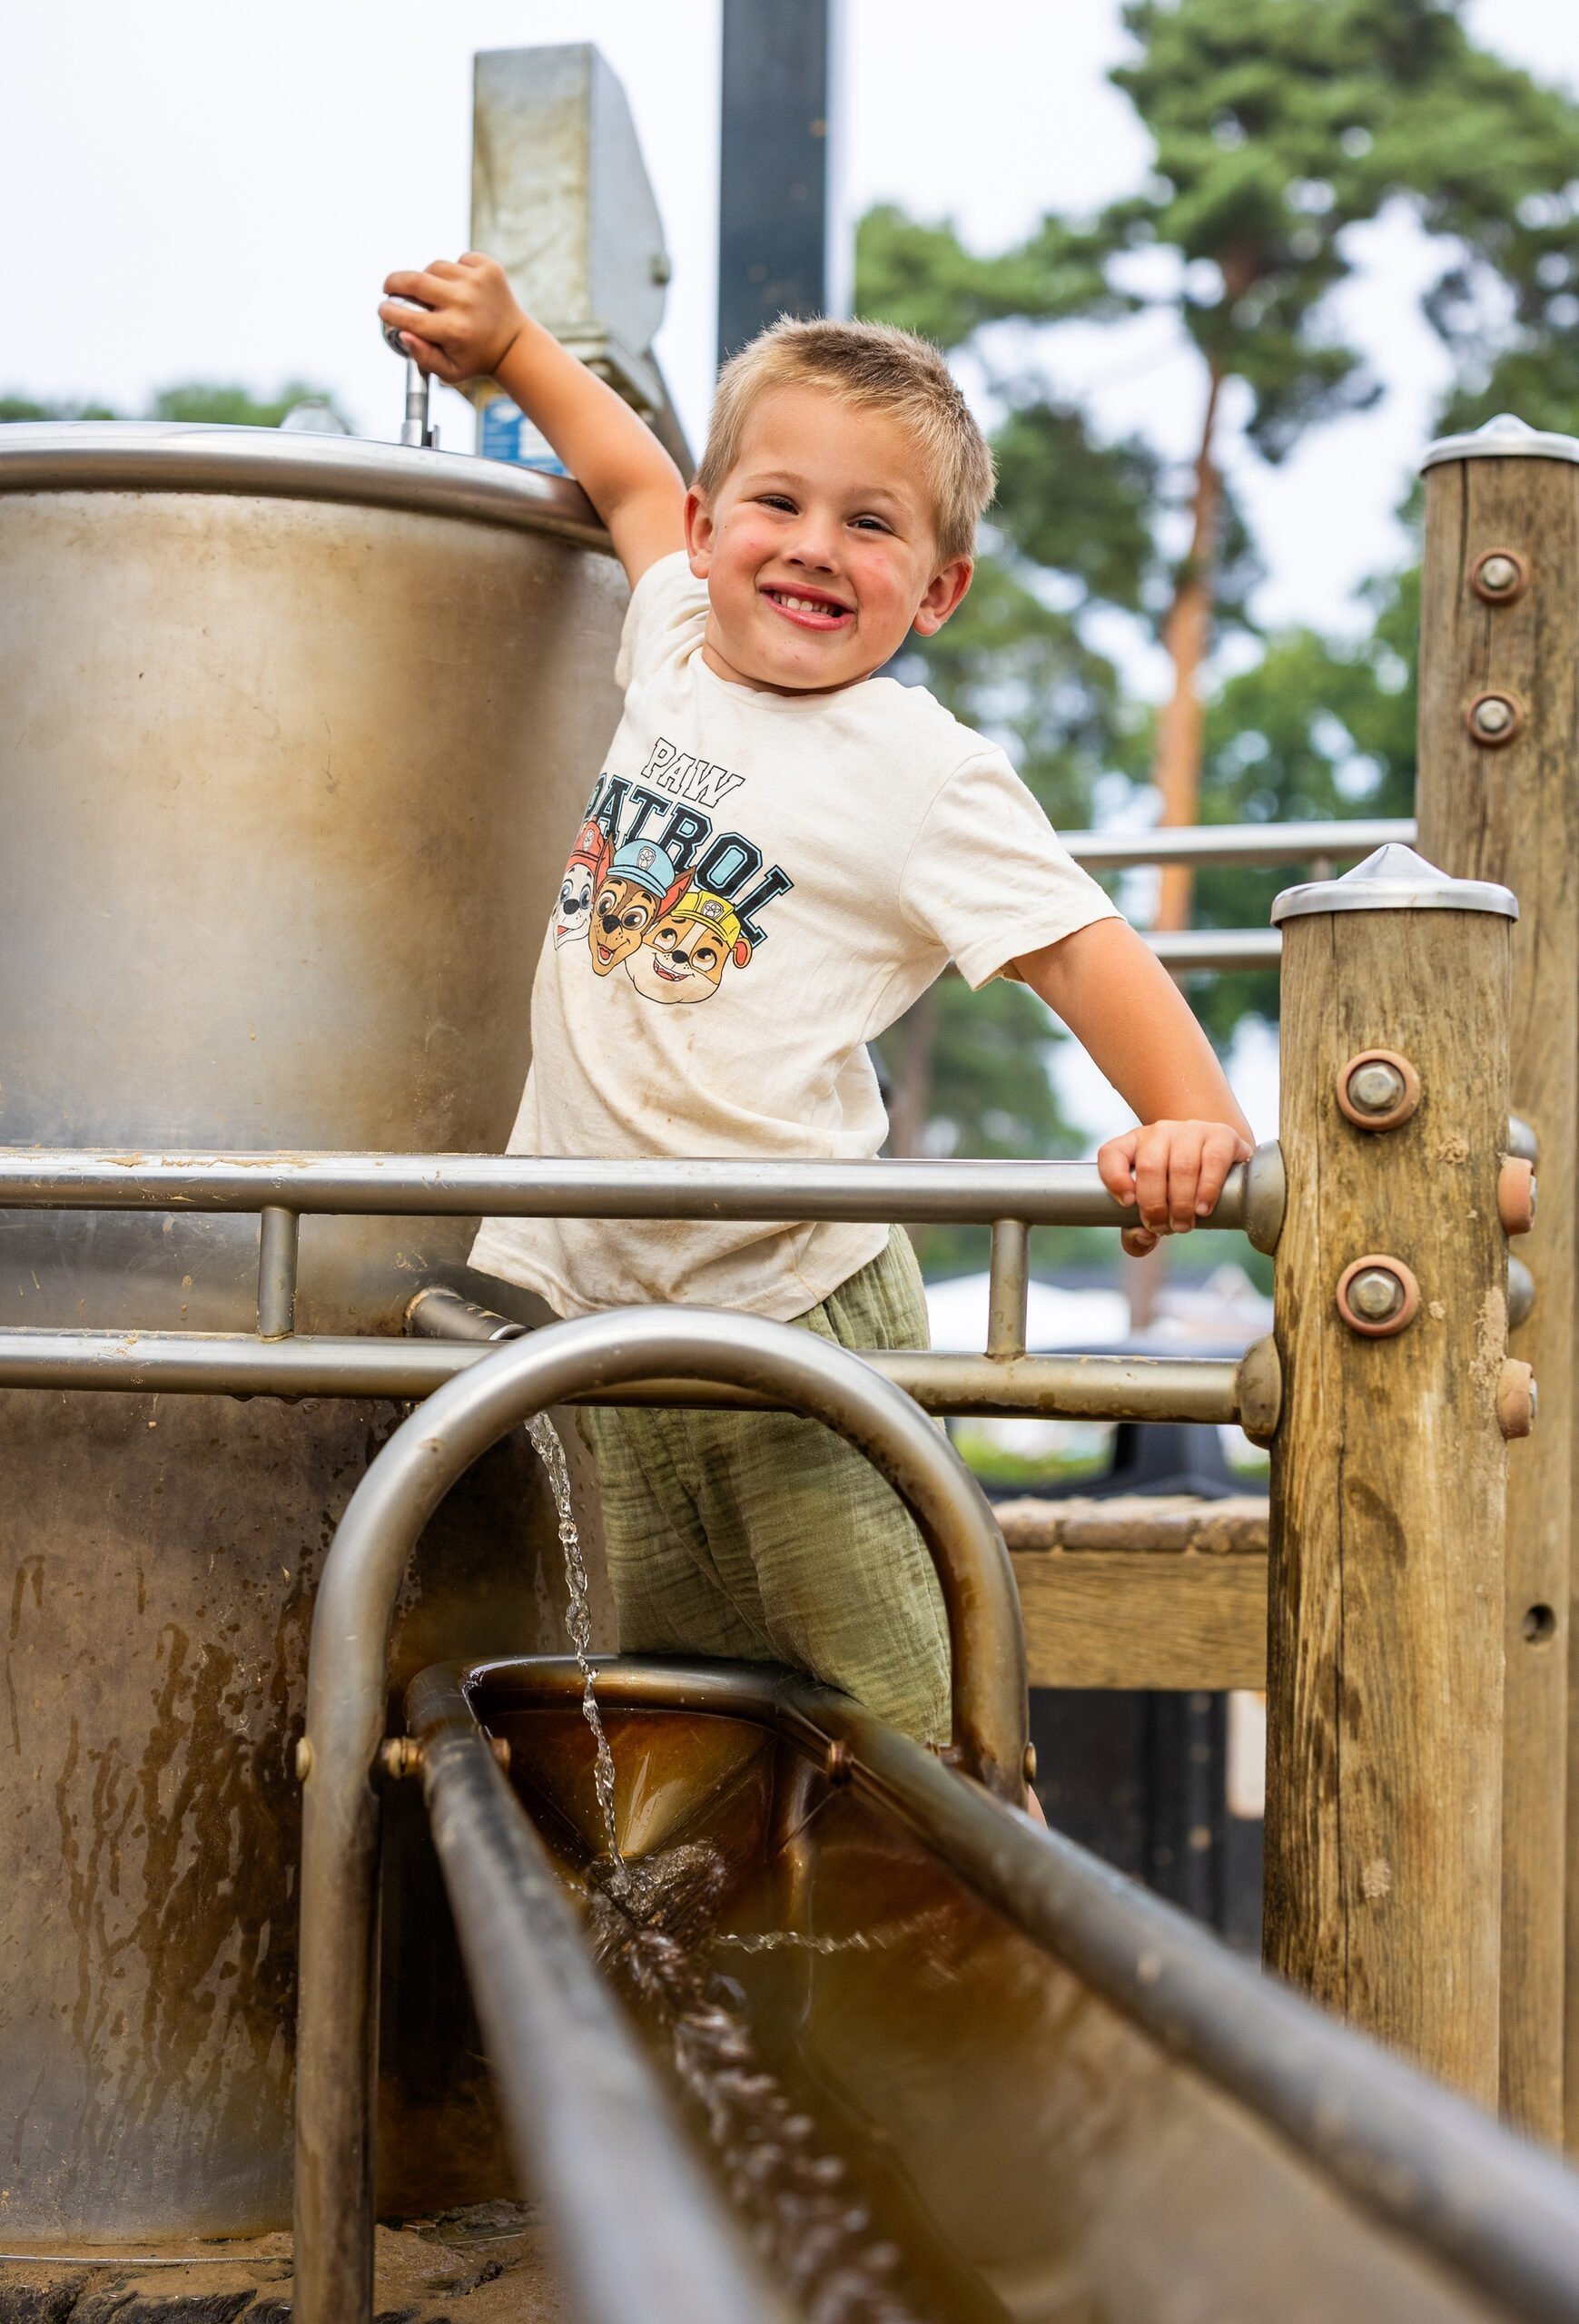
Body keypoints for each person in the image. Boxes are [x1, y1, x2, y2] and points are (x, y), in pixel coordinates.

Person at [379, 253, 1253, 1763]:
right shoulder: (667, 642)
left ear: (939, 588)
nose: (813, 547)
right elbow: (633, 477)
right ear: (717, 536)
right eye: (778, 504)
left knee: (903, 1727)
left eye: (873, 524)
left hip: (795, 1303)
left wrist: (1194, 1121)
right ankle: (724, 1979)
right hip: (608, 1311)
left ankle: (985, 1928)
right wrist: (513, 345)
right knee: (665, 1707)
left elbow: (1080, 950)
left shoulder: (917, 770)